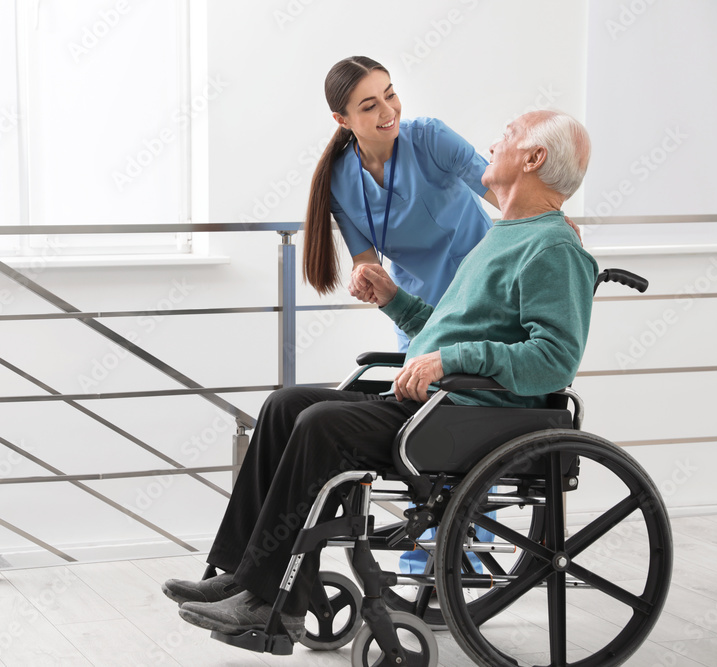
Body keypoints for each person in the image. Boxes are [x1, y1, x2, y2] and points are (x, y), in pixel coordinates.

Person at [162, 109, 599, 643]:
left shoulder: (552, 246)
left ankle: (267, 600)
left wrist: (451, 361)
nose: (494, 140)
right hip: (441, 404)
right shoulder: (501, 236)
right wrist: (395, 302)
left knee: (321, 424)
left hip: (474, 417)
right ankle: (239, 572)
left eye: (508, 135)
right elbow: (443, 334)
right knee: (286, 406)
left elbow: (554, 360)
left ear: (533, 158)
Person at [304, 56, 497, 351]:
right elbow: (365, 259)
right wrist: (362, 277)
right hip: (414, 311)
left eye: (390, 94)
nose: (388, 110)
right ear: (342, 120)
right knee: (419, 394)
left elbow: (502, 193)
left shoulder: (431, 138)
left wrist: (548, 220)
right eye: (370, 106)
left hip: (484, 292)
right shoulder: (338, 181)